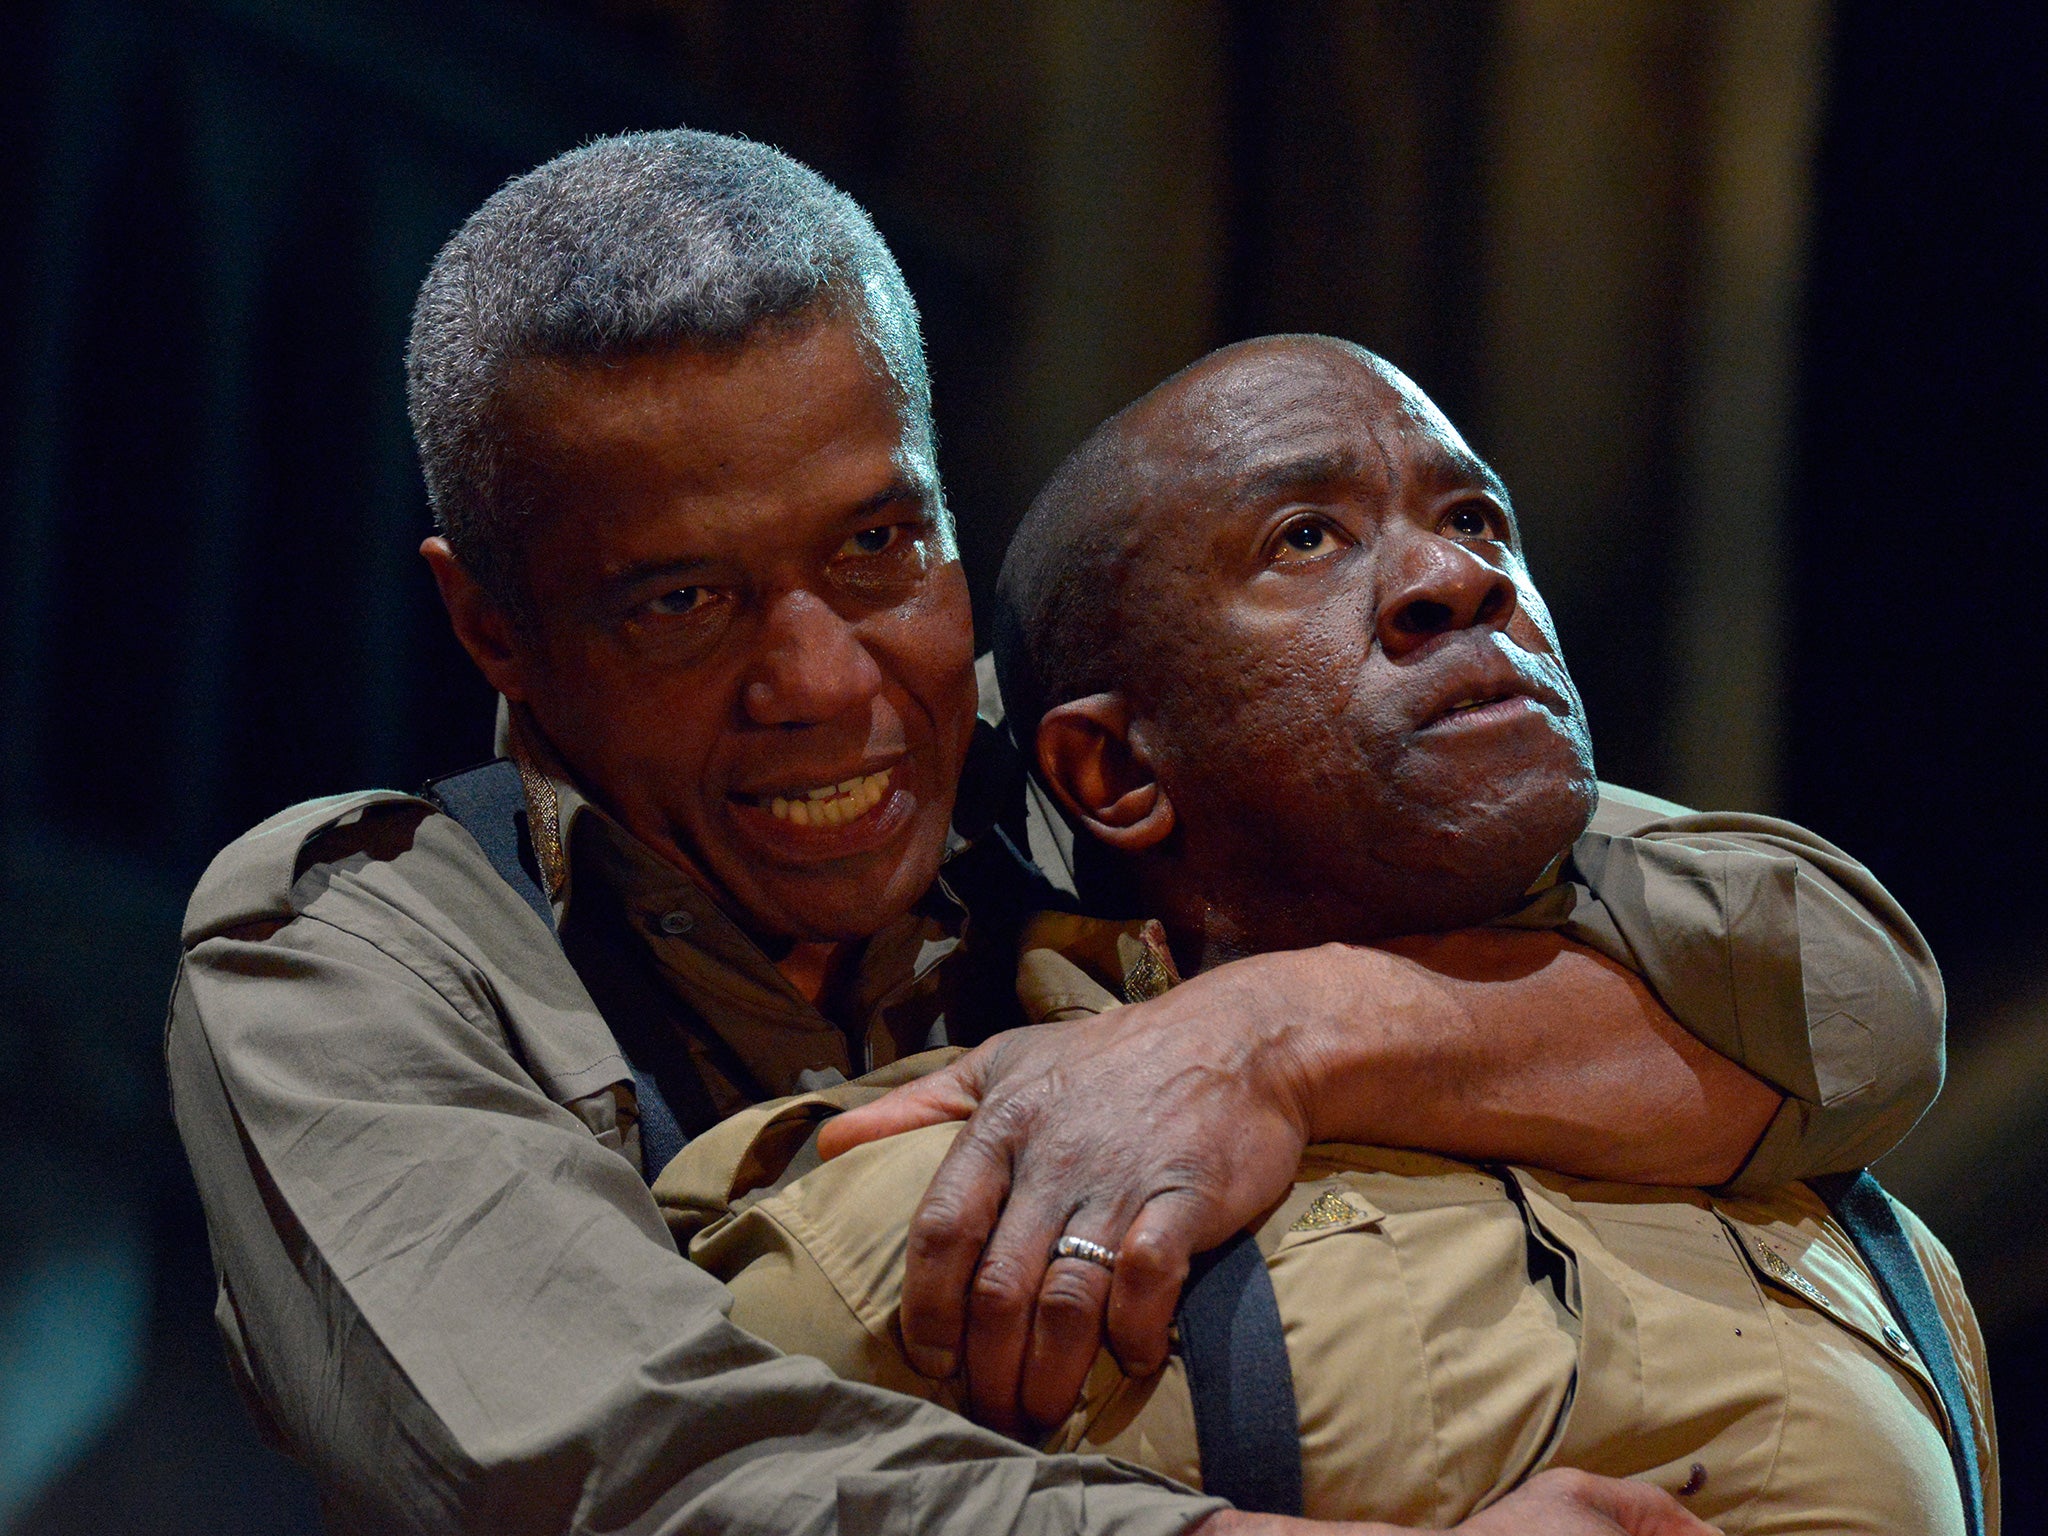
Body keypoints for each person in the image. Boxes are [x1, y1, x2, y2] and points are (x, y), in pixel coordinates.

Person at [165, 129, 1941, 1535]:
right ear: (492, 630)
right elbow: (589, 1469)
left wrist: (1277, 1038)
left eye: (878, 549)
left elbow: (1834, 984)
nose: (825, 686)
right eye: (682, 603)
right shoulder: (352, 943)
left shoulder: (1113, 763)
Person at [653, 335, 1998, 1533]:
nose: (1456, 578)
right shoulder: (950, 1221)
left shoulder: (1810, 1169)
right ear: (1116, 770)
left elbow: (1852, 978)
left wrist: (1281, 1031)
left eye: (1477, 517)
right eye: (1305, 538)